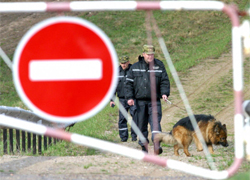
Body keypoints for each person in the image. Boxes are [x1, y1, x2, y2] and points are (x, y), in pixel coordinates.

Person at [125, 45, 170, 155]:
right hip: (139, 102)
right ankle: (144, 146)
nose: (150, 56)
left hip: (154, 101)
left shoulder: (159, 65)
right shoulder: (134, 67)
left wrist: (164, 93)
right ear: (143, 54)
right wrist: (130, 97)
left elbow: (164, 81)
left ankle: (156, 145)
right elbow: (128, 84)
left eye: (152, 54)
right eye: (148, 54)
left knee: (155, 123)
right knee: (142, 124)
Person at [110, 55, 137, 142]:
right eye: (122, 63)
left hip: (133, 98)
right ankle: (123, 138)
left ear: (128, 62)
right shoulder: (116, 72)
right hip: (121, 99)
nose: (123, 65)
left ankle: (134, 136)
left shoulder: (133, 70)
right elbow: (113, 87)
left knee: (135, 117)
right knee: (122, 119)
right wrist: (112, 100)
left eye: (125, 63)